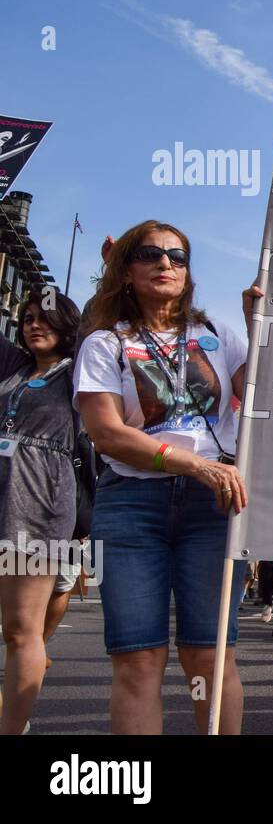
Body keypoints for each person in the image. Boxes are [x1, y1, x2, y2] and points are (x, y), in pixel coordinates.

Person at [75, 221, 257, 734]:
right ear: (126, 270)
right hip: (131, 503)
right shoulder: (104, 343)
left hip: (213, 507)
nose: (165, 265)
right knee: (138, 661)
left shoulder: (219, 334)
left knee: (210, 658)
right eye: (151, 255)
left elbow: (269, 397)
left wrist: (261, 326)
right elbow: (106, 433)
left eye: (178, 257)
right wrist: (194, 464)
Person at [0, 287, 82, 735]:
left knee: (19, 629)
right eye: (28, 317)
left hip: (38, 503)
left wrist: (116, 270)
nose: (34, 323)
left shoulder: (77, 372)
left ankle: (13, 728)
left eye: (46, 318)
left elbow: (101, 326)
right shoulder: (13, 368)